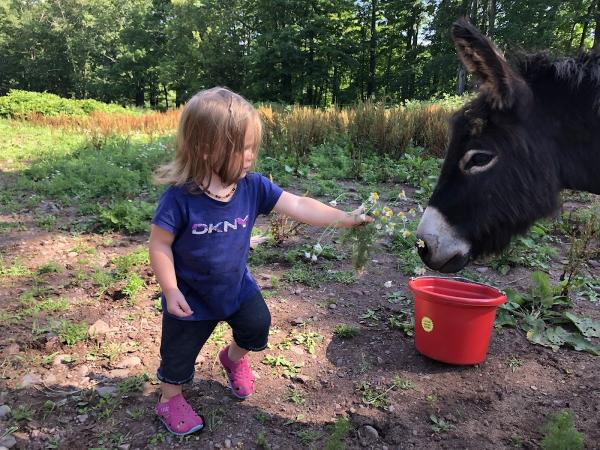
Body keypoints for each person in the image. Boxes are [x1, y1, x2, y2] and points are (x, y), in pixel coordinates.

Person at [149, 87, 371, 436]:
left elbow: (298, 205)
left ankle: (232, 358)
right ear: (208, 149)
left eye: (253, 146)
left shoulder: (252, 187)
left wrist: (344, 217)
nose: (251, 156)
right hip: (190, 296)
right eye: (243, 148)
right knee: (178, 354)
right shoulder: (180, 197)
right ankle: (169, 397)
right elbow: (159, 245)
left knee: (256, 325)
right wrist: (170, 287)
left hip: (236, 287)